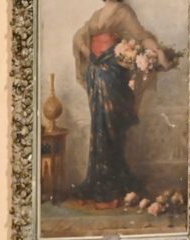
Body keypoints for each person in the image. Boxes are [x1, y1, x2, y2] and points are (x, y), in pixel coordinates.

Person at [71, 0, 177, 207]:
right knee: (99, 129)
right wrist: (90, 54)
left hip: (112, 76)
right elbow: (79, 36)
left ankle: (111, 192)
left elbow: (141, 37)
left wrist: (158, 51)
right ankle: (98, 185)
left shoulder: (123, 12)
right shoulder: (97, 14)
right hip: (95, 74)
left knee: (111, 129)